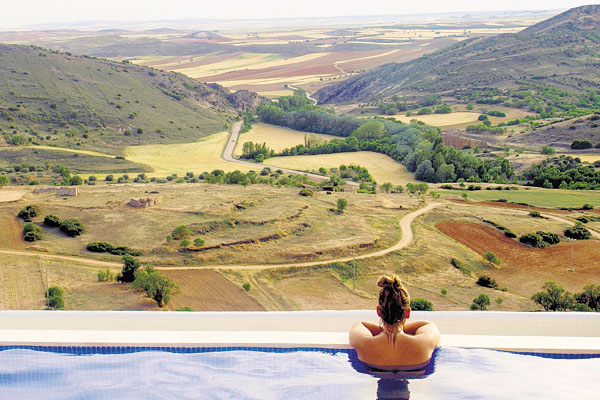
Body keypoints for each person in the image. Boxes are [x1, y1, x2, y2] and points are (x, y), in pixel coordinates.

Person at [349, 275, 440, 370]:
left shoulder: (364, 343)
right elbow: (428, 325)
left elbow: (360, 324)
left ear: (378, 312)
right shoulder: (424, 343)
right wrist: (398, 328)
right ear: (408, 313)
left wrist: (387, 329)